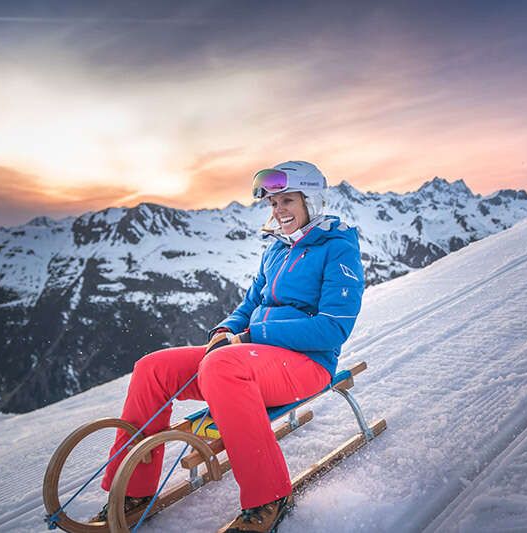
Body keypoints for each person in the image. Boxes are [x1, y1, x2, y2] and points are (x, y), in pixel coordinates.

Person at [95, 161, 365, 533]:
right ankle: (136, 491)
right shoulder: (277, 249)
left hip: (307, 364)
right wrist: (226, 329)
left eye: (287, 200)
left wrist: (252, 336)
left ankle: (268, 496)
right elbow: (251, 302)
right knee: (152, 368)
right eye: (273, 203)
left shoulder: (338, 248)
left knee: (222, 367)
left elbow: (332, 329)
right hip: (252, 358)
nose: (278, 210)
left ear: (312, 201)